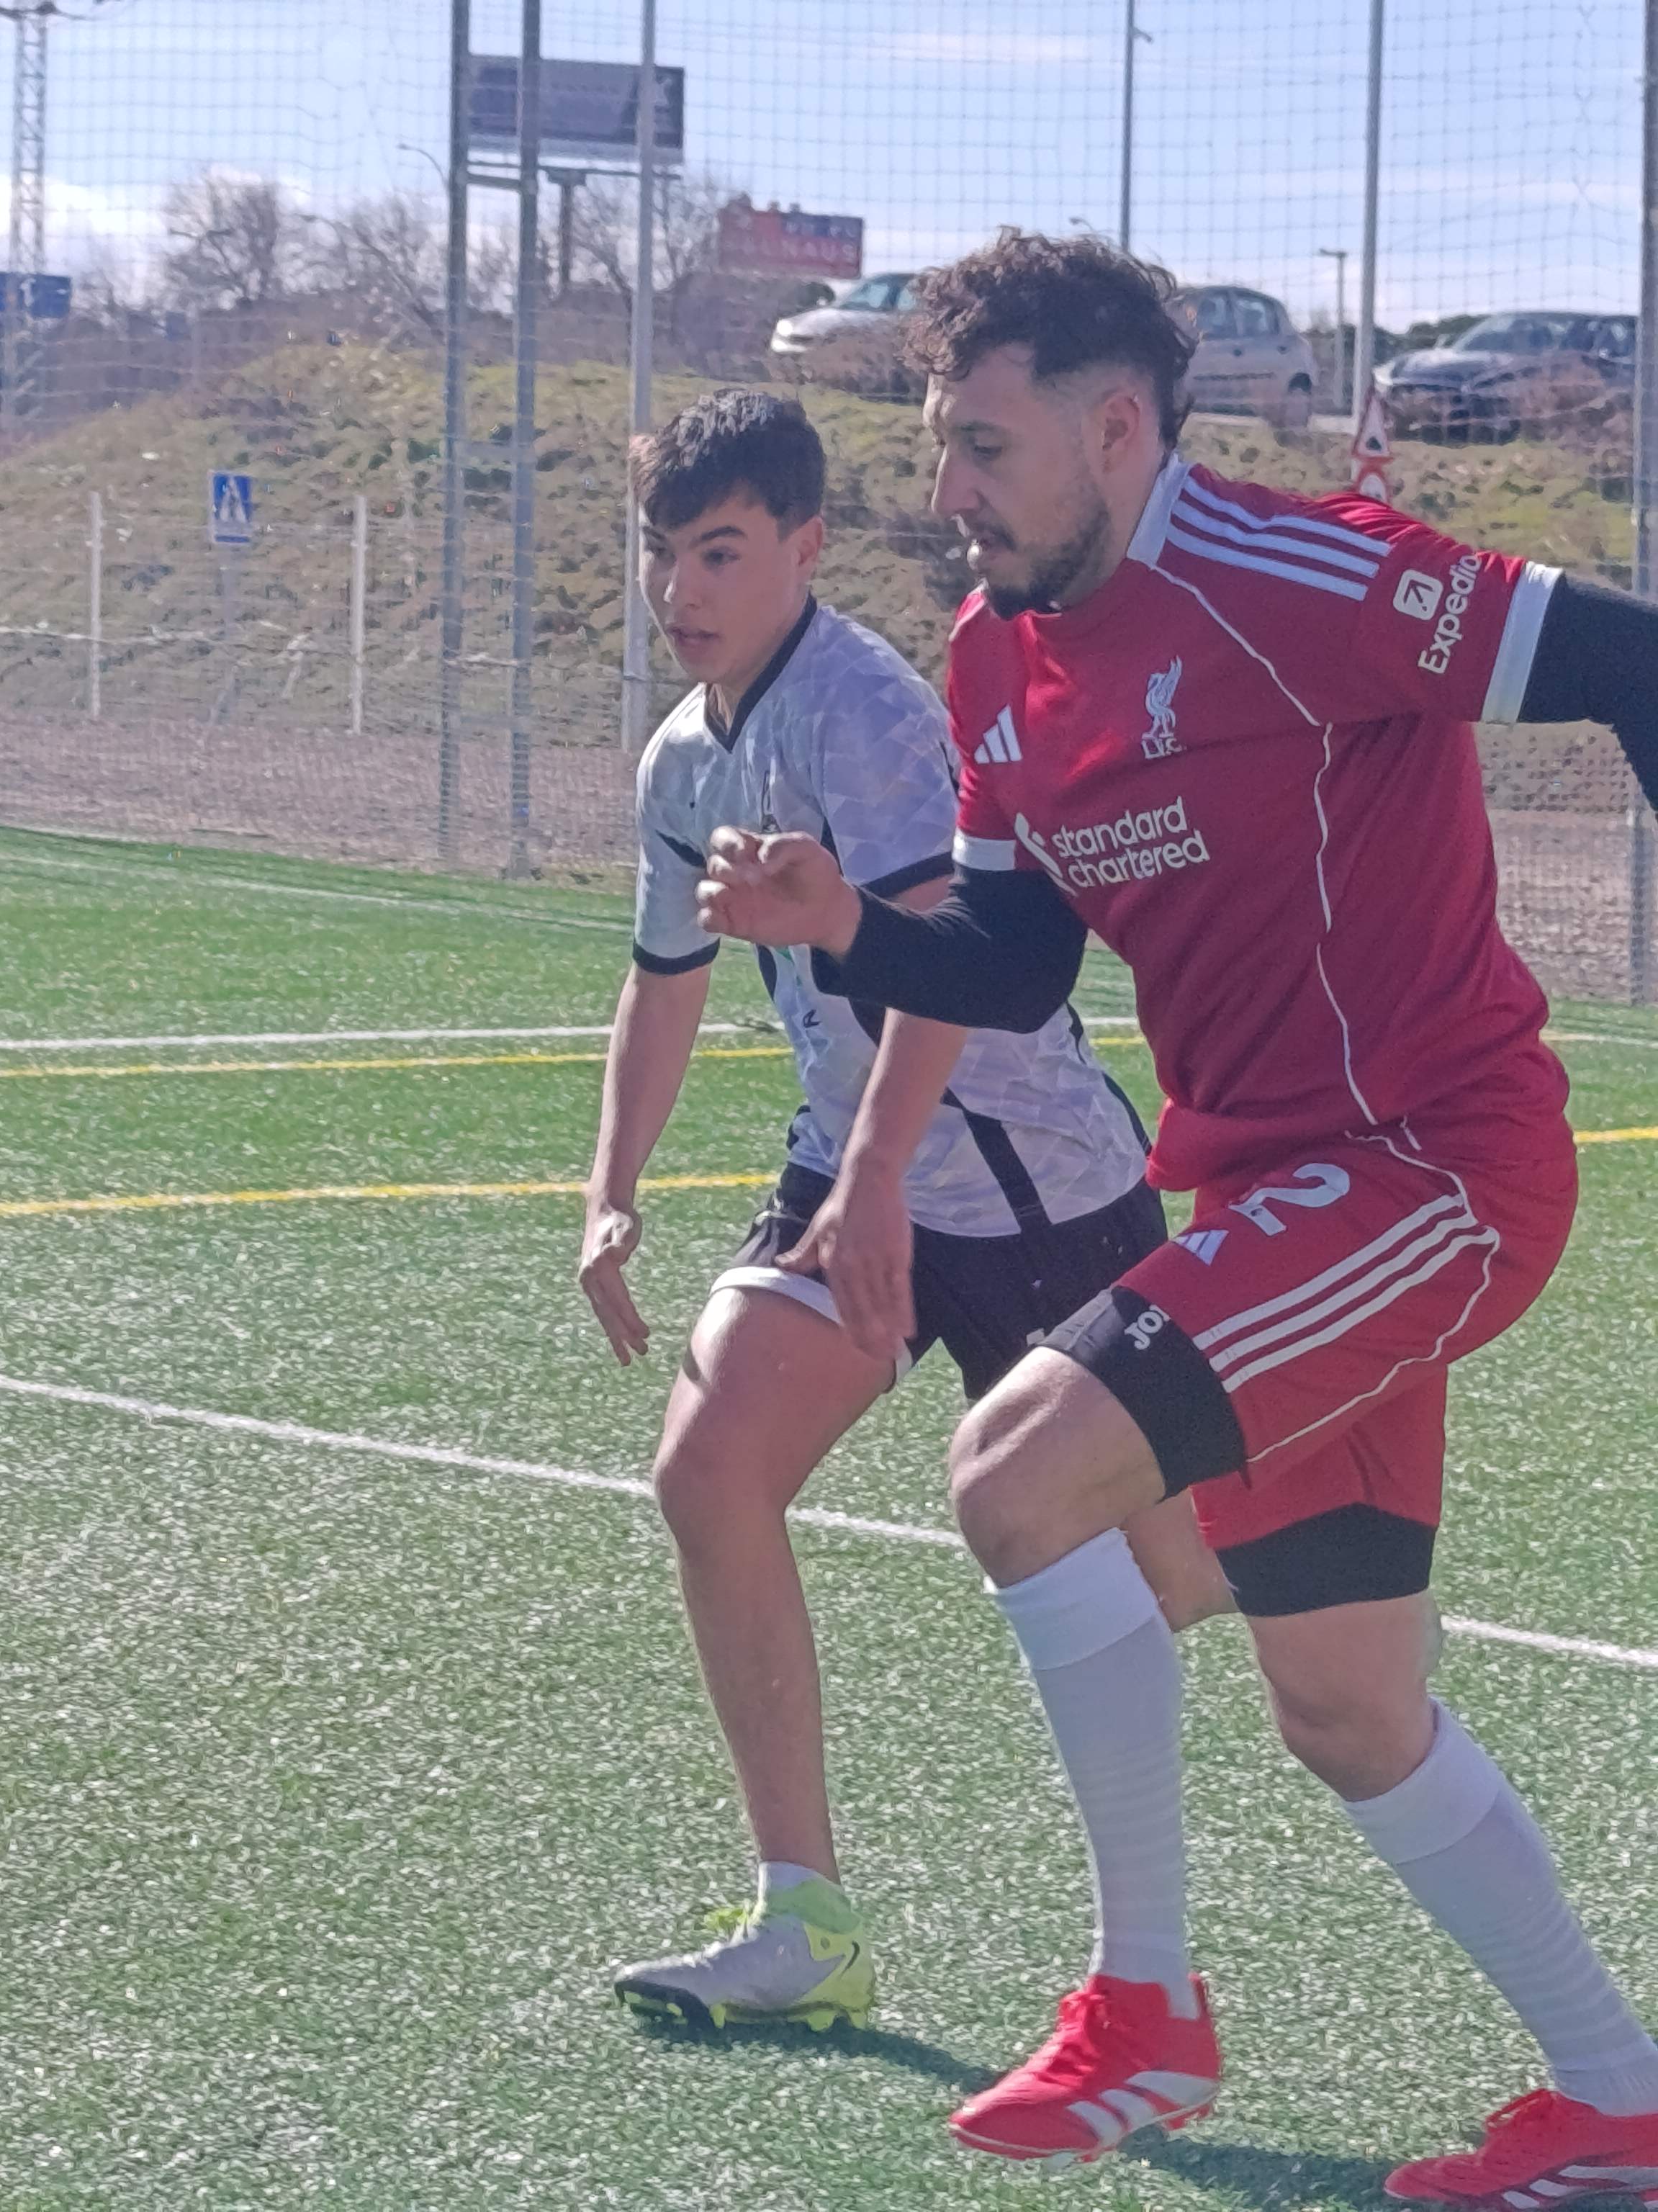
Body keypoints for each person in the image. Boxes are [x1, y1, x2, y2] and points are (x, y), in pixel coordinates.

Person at [695, 228, 1658, 2206]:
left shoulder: (1298, 576)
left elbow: (1632, 658)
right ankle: (1621, 2099)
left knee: (1013, 1468)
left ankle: (1142, 2005)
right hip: (1276, 1195)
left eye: (982, 445)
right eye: (937, 442)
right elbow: (1013, 959)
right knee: (1346, 1705)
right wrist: (847, 921)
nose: (946, 490)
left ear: (1117, 428)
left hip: (1430, 1165)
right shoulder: (996, 657)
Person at [585, 388, 1227, 2036]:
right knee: (708, 1469)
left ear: (804, 545)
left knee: (1202, 1572)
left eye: (720, 551)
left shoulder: (866, 708)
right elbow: (663, 979)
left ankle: (1346, 1604)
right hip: (846, 1167)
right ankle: (802, 1918)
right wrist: (611, 1192)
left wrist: (885, 1179)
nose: (681, 589)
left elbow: (939, 975)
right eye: (663, 553)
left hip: (1032, 1181)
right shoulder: (681, 758)